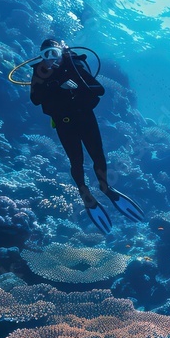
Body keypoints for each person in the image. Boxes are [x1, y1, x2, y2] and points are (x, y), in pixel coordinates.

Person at [29, 38, 144, 234]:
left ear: (62, 52)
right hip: (63, 121)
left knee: (97, 155)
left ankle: (106, 188)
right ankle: (86, 194)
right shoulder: (40, 71)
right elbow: (35, 99)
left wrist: (76, 86)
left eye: (53, 54)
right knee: (76, 161)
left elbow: (99, 90)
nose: (50, 60)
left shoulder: (75, 64)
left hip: (84, 118)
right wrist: (57, 85)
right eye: (45, 55)